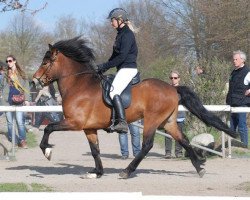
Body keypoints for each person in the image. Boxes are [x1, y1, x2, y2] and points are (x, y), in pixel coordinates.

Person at [97, 8, 139, 133]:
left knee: (113, 92)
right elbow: (114, 56)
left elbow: (122, 57)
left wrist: (105, 66)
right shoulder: (120, 34)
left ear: (120, 19)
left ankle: (122, 122)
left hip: (128, 68)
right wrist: (101, 67)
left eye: (112, 20)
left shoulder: (127, 35)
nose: (111, 23)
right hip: (122, 69)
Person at [2, 55, 30, 148]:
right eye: (7, 61)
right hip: (7, 100)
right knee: (9, 122)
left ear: (14, 61)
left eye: (10, 61)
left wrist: (27, 100)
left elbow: (26, 87)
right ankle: (13, 140)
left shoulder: (22, 73)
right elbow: (2, 87)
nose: (8, 63)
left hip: (19, 100)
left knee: (20, 122)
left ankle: (22, 141)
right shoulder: (5, 74)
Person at [226, 50, 249, 148]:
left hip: (242, 104)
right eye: (233, 59)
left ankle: (244, 147)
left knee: (242, 126)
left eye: (236, 59)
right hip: (232, 103)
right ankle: (232, 148)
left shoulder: (248, 72)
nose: (234, 61)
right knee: (232, 127)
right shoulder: (233, 72)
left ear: (242, 60)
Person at [165, 71, 186, 158]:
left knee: (179, 134)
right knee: (168, 135)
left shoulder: (183, 90)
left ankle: (178, 152)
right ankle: (168, 152)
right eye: (171, 78)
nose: (173, 80)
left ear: (179, 79)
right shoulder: (167, 89)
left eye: (175, 78)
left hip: (180, 116)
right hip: (168, 116)